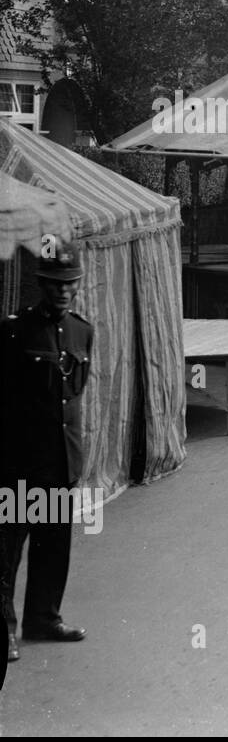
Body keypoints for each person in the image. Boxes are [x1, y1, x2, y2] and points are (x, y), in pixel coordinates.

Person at [1, 240, 92, 663]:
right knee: (6, 553)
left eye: (69, 284)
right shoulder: (14, 331)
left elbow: (72, 399)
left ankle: (44, 618)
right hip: (20, 462)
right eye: (56, 284)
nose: (63, 291)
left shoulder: (82, 330)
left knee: (53, 547)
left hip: (59, 459)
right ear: (41, 284)